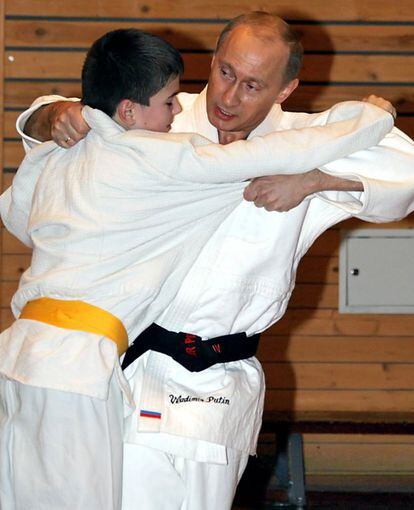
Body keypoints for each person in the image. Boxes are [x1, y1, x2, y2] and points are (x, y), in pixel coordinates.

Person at [15, 12, 414, 510]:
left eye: (252, 85)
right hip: (132, 367)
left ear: (285, 90)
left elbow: (407, 171)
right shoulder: (159, 116)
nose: (229, 97)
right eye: (225, 72)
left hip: (220, 382)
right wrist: (51, 116)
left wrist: (312, 181)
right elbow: (57, 115)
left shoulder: (310, 140)